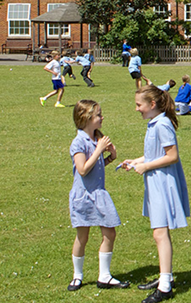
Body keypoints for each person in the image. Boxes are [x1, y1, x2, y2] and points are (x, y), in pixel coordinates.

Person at [118, 85, 190, 302]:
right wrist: (136, 161)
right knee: (159, 232)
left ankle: (165, 286)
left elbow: (172, 156)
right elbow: (155, 153)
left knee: (160, 233)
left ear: (152, 104)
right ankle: (165, 277)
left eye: (138, 105)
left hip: (163, 183)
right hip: (156, 182)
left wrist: (146, 166)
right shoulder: (154, 123)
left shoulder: (163, 125)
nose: (136, 109)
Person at [63, 100, 124, 291]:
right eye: (98, 115)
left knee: (110, 232)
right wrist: (98, 150)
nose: (102, 117)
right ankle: (77, 276)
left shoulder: (96, 139)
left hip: (99, 194)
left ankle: (104, 276)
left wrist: (110, 158)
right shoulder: (79, 142)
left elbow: (95, 167)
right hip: (83, 196)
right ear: (86, 118)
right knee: (83, 237)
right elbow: (82, 170)